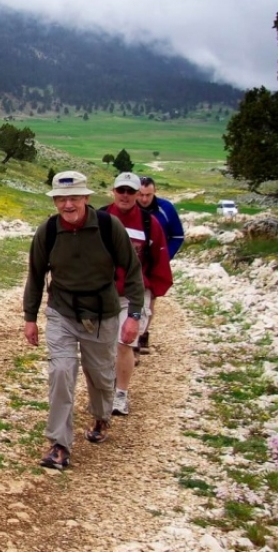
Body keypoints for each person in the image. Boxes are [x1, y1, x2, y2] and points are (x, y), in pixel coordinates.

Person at [22, 171, 144, 471]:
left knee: (101, 374)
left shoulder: (107, 226)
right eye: (61, 199)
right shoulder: (48, 231)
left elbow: (131, 270)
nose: (67, 205)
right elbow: (36, 275)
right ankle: (59, 444)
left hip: (102, 313)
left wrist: (135, 315)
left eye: (74, 198)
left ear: (86, 199)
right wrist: (30, 317)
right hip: (62, 310)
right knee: (61, 371)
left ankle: (101, 416)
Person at [104, 173, 173, 416]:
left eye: (130, 191)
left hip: (133, 293)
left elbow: (160, 258)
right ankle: (106, 389)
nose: (125, 195)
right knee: (104, 346)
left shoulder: (148, 223)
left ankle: (120, 394)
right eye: (120, 190)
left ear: (137, 194)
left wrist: (153, 290)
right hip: (102, 293)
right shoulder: (100, 217)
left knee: (125, 342)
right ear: (113, 191)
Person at [136, 175, 184, 354]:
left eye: (148, 195)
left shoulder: (166, 209)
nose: (144, 199)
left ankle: (142, 334)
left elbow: (178, 235)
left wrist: (165, 257)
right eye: (141, 194)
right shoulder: (129, 208)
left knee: (150, 298)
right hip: (133, 261)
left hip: (155, 262)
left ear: (154, 192)